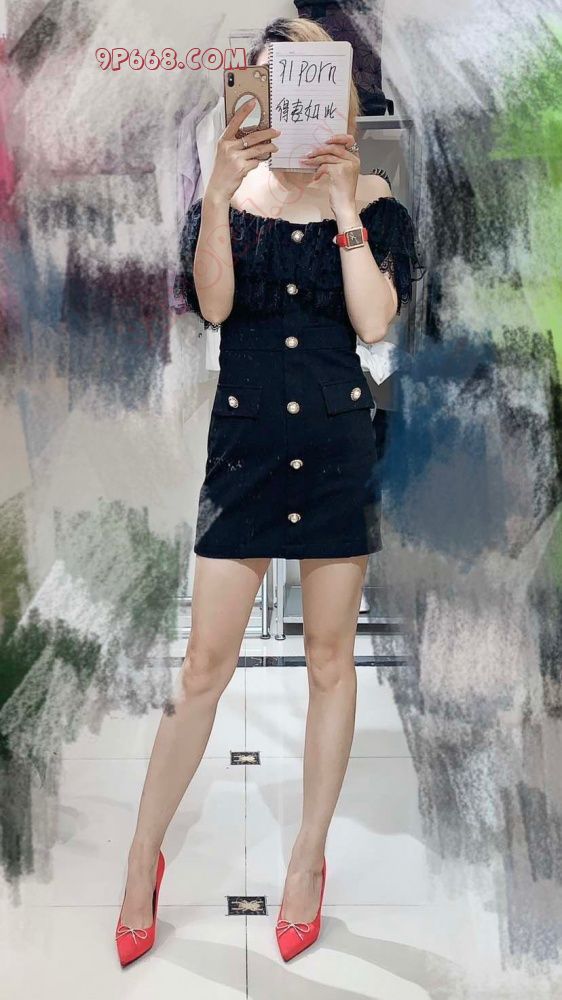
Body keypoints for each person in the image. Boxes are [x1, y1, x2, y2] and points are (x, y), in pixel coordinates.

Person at [115, 16, 423, 967]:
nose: (295, 98)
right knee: (202, 670)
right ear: (254, 92)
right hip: (245, 448)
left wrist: (340, 205)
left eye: (313, 79)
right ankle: (141, 860)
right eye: (276, 79)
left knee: (331, 662)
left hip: (335, 447)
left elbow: (374, 324)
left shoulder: (375, 201)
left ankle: (305, 863)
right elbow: (213, 304)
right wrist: (215, 190)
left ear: (340, 94)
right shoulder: (229, 195)